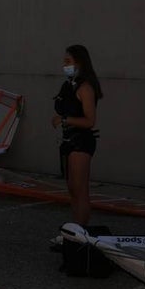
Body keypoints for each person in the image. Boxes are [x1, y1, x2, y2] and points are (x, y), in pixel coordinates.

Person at [51, 44, 103, 235]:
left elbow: (90, 120)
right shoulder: (68, 85)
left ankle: (82, 231)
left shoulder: (86, 87)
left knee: (80, 189)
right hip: (68, 140)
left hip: (81, 141)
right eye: (64, 61)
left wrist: (65, 120)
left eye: (68, 61)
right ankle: (76, 227)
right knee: (72, 188)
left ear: (79, 63)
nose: (65, 65)